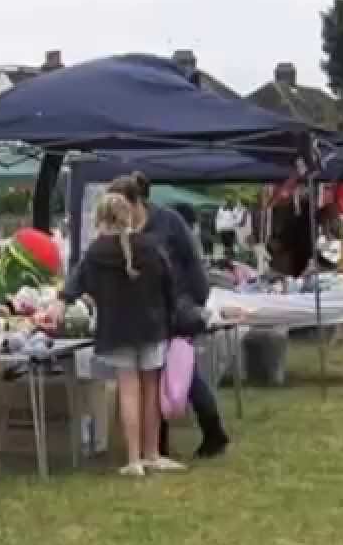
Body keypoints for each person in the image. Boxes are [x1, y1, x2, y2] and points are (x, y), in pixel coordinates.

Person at [54, 186, 184, 476]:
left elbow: (73, 287)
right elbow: (170, 287)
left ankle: (134, 460)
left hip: (116, 329)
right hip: (153, 326)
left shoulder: (95, 253)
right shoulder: (151, 247)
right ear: (130, 217)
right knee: (151, 389)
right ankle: (153, 453)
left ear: (100, 220)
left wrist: (61, 304)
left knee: (128, 390)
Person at [123, 172, 231, 459]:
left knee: (176, 371)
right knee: (168, 372)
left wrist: (197, 299)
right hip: (148, 310)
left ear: (137, 201)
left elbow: (192, 260)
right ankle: (199, 435)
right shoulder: (126, 228)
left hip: (178, 305)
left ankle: (176, 440)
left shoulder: (170, 222)